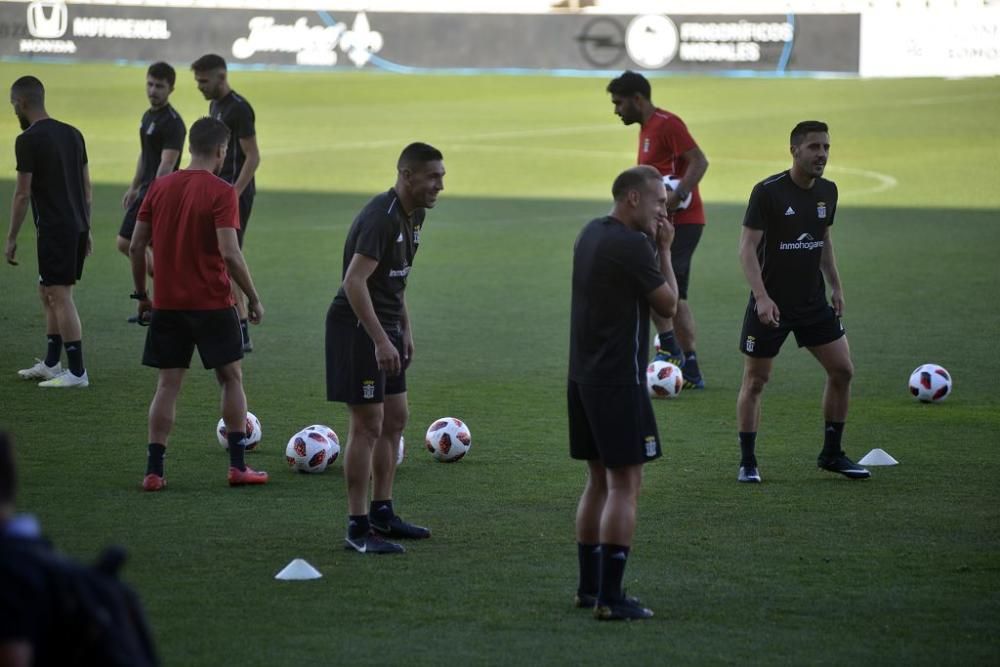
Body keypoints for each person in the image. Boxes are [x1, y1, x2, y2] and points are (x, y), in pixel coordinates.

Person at [130, 117, 267, 491]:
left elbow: (137, 244)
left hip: (168, 304)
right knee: (231, 378)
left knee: (167, 386)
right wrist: (252, 298)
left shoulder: (159, 187)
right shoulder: (222, 192)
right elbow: (230, 253)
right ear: (222, 151)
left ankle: (154, 472)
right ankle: (238, 466)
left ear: (191, 146)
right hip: (213, 303)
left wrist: (143, 296)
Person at [569, 165, 678, 621]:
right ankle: (611, 599)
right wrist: (665, 250)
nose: (662, 213)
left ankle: (589, 587)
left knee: (598, 481)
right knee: (626, 485)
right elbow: (669, 303)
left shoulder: (591, 233)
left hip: (582, 377)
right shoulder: (633, 245)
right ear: (633, 199)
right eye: (658, 204)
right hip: (618, 380)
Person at [326, 142, 444, 555]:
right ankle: (357, 529)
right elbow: (354, 282)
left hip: (386, 326)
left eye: (442, 176)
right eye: (433, 176)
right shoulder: (381, 217)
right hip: (357, 327)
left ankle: (382, 512)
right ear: (407, 175)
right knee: (367, 426)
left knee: (396, 418)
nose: (440, 185)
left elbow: (395, 280)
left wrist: (403, 330)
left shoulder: (416, 216)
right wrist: (379, 338)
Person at [736, 120, 869, 484]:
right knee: (756, 380)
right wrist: (762, 297)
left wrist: (836, 287)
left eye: (826, 147)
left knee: (843, 370)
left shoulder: (828, 192)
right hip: (771, 306)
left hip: (812, 303)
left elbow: (823, 241)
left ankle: (831, 453)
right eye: (814, 147)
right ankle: (748, 461)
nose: (822, 154)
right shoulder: (768, 192)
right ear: (794, 150)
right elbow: (747, 248)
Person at [607, 70, 709, 388]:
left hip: (681, 222)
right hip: (660, 224)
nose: (616, 110)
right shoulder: (647, 127)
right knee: (660, 287)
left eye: (619, 103)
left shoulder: (667, 123)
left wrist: (676, 199)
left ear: (638, 99)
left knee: (665, 289)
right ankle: (677, 355)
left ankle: (678, 357)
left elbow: (699, 161)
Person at [5, 76, 92, 388]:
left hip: (56, 228)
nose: (13, 108)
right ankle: (53, 363)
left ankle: (78, 373)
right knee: (48, 292)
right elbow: (86, 189)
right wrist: (87, 228)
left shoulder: (28, 140)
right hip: (75, 225)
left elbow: (22, 194)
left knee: (59, 294)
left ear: (23, 103)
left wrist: (12, 238)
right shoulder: (73, 134)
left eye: (13, 103)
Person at [191, 54, 261, 352]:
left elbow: (253, 155)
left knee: (229, 256)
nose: (200, 87)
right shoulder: (215, 106)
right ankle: (234, 324)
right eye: (197, 81)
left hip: (234, 194)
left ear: (221, 77)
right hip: (217, 192)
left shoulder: (240, 109)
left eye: (204, 81)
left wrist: (234, 191)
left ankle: (242, 329)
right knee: (220, 257)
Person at [116, 62, 186, 278]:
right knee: (147, 251)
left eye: (159, 86)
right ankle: (165, 287)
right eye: (150, 84)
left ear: (171, 89)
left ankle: (152, 297)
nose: (153, 90)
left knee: (127, 242)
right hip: (146, 190)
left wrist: (152, 197)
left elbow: (167, 164)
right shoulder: (148, 116)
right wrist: (134, 186)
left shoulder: (173, 123)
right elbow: (145, 154)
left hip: (158, 193)